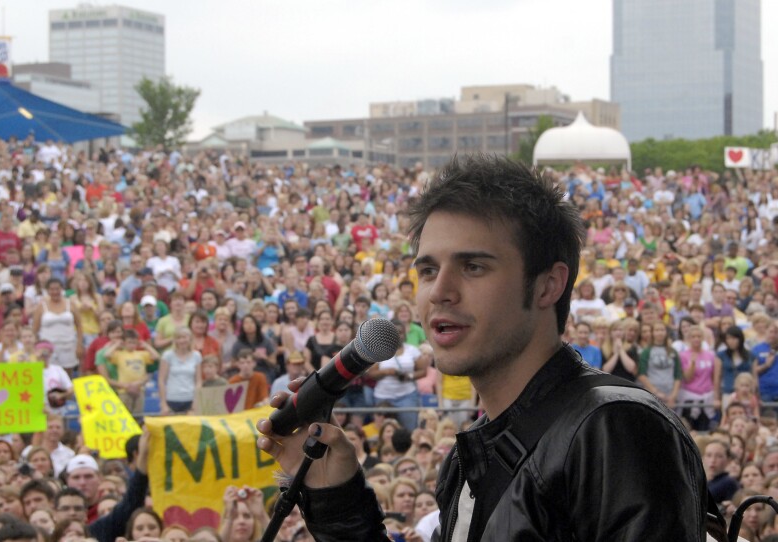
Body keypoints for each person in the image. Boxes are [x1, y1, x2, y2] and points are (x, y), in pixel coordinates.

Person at [256, 155, 707, 540]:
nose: (440, 292)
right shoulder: (468, 456)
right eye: (428, 270)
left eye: (473, 266)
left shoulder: (613, 428)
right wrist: (335, 496)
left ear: (548, 285)